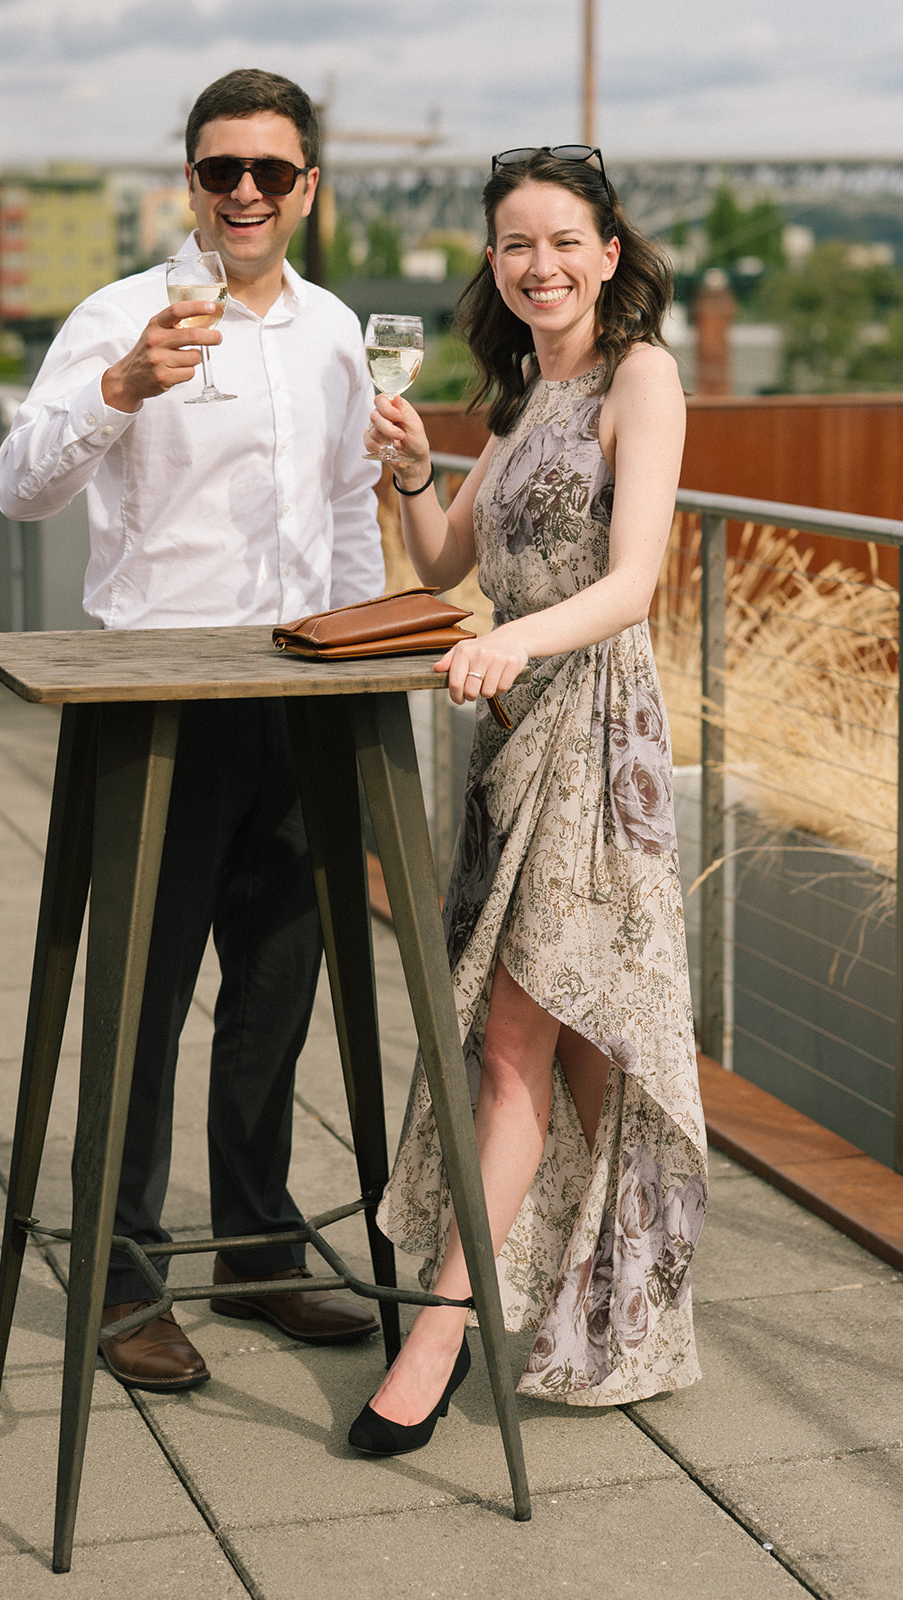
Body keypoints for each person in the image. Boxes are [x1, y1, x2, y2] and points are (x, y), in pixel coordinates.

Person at [0, 69, 382, 1393]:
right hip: (155, 697)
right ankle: (121, 1278)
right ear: (192, 181)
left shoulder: (335, 332)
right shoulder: (124, 314)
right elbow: (19, 489)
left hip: (297, 696)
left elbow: (345, 518)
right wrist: (118, 385)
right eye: (223, 170)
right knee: (142, 1004)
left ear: (308, 187)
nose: (247, 194)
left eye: (272, 172)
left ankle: (262, 1249)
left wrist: (360, 652)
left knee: (278, 993)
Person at [347, 146, 707, 1455]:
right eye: (515, 245)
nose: (540, 265)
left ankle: (441, 1333)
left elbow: (635, 583)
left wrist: (521, 642)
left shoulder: (640, 376)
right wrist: (409, 466)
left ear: (609, 253)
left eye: (565, 240)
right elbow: (449, 559)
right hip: (507, 741)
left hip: (595, 729)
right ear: (492, 267)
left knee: (518, 1046)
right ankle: (621, 1299)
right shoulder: (511, 406)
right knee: (576, 1043)